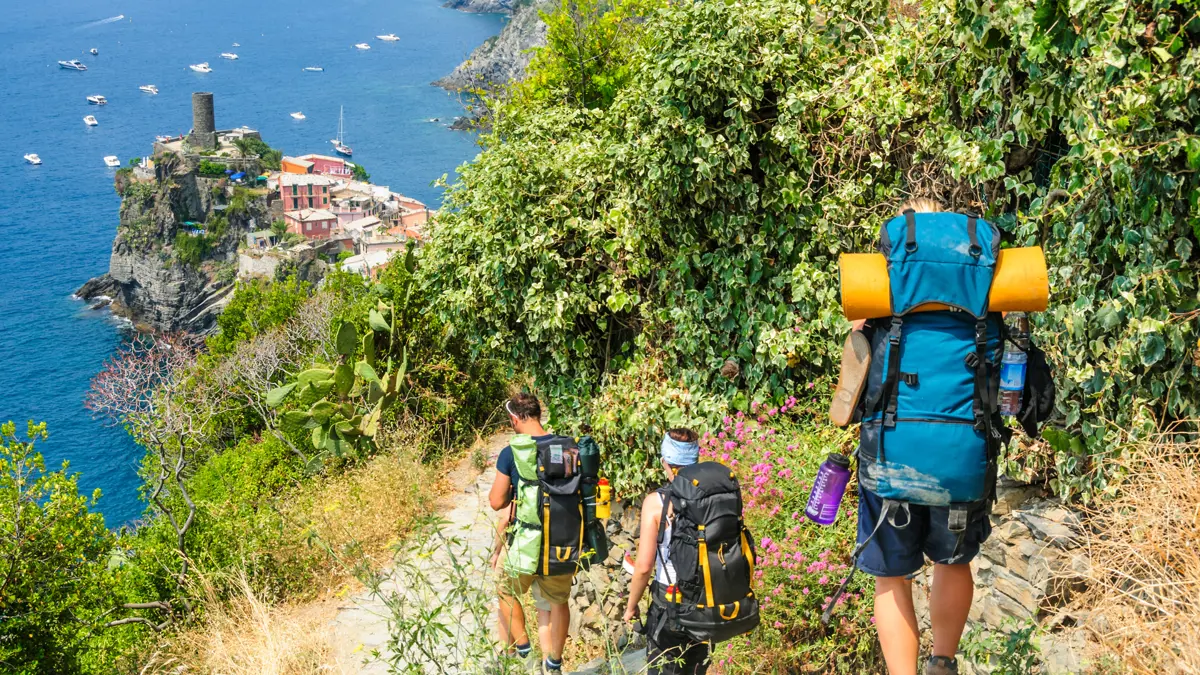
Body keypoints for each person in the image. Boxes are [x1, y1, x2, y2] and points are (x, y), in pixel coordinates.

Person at [851, 198, 989, 675]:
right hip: (965, 452)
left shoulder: (879, 288)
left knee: (892, 575)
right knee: (953, 560)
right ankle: (943, 664)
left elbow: (856, 366)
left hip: (891, 452)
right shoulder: (983, 282)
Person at [488, 393, 574, 673]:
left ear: (515, 419)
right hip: (562, 541)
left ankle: (524, 649)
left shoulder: (512, 452)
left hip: (527, 542)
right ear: (538, 414)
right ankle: (555, 663)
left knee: (505, 591)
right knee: (559, 602)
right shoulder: (567, 446)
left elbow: (496, 501)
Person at [622, 428, 710, 675]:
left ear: (665, 461)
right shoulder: (713, 495)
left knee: (664, 667)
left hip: (669, 598)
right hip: (707, 597)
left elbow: (643, 567)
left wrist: (631, 607)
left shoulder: (657, 502)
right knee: (695, 667)